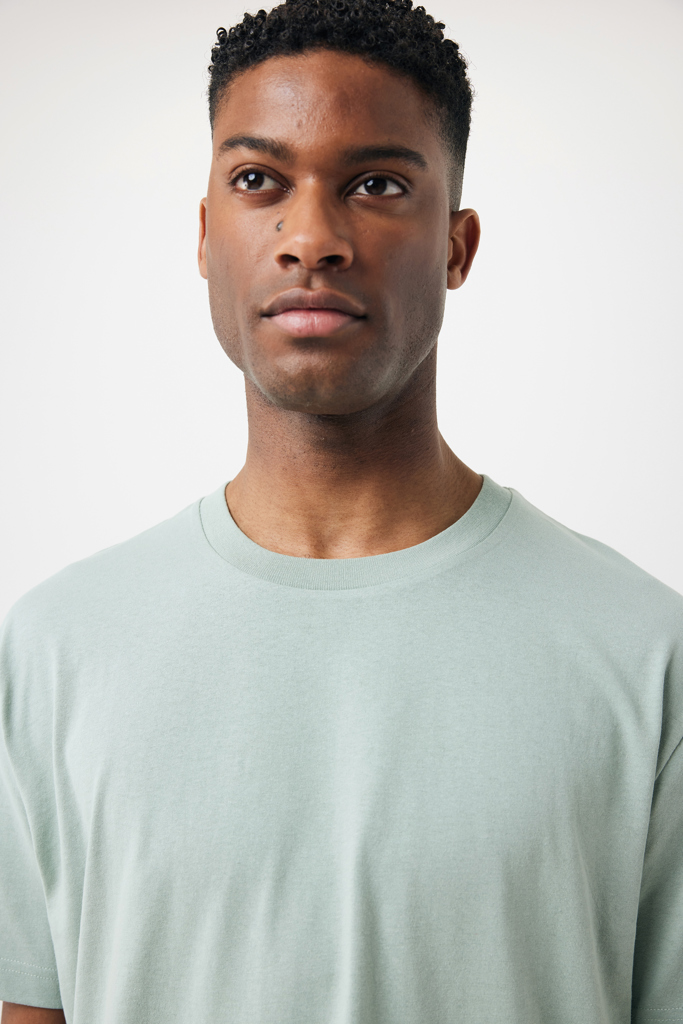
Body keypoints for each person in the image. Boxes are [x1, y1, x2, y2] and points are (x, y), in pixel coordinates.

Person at [1, 0, 681, 1021]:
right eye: (257, 181)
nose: (311, 239)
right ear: (205, 235)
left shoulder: (644, 652)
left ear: (456, 247)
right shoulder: (57, 650)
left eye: (375, 185)